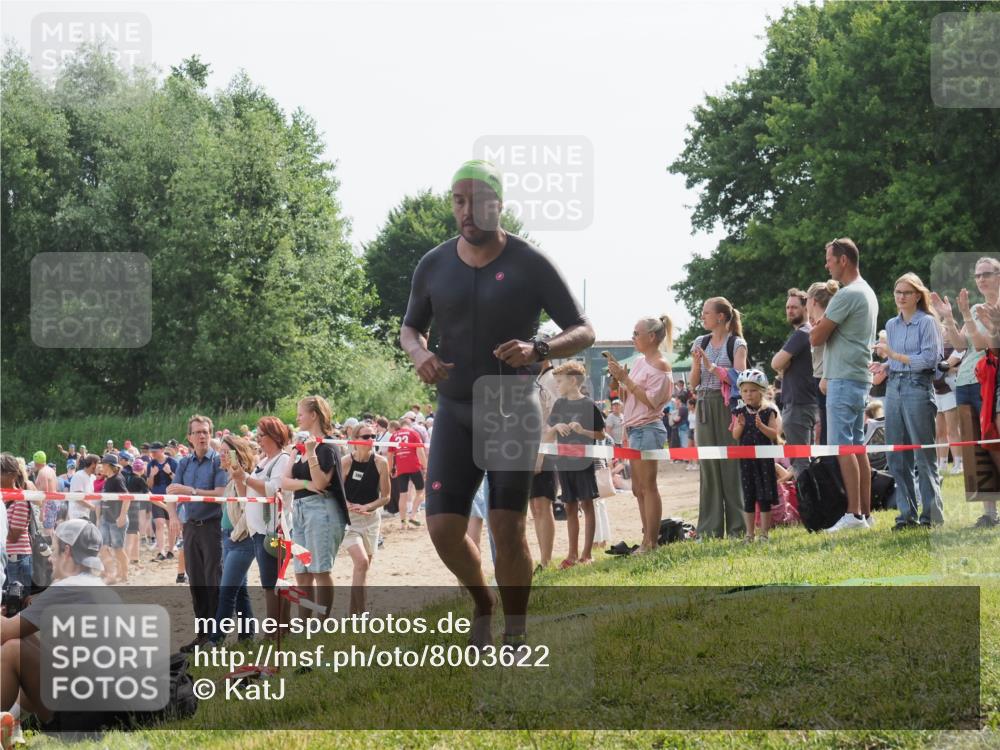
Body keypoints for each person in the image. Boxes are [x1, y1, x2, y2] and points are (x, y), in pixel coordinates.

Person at [400, 159, 593, 647]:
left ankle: (515, 632)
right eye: (458, 201)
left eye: (477, 201)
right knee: (443, 527)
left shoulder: (530, 261)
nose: (466, 212)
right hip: (454, 409)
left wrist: (541, 348)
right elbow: (410, 327)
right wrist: (420, 353)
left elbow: (583, 329)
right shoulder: (434, 263)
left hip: (512, 405)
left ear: (498, 204)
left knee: (508, 527)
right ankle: (482, 601)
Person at [809, 239, 878, 533]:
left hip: (844, 378)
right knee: (856, 447)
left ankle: (853, 514)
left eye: (829, 259)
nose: (826, 265)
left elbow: (816, 337)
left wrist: (818, 320)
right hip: (858, 377)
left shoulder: (847, 294)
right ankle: (864, 513)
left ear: (844, 260)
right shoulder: (868, 292)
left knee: (842, 446)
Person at [932, 257, 1000, 527]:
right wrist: (949, 319)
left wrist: (969, 317)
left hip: (989, 381)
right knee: (974, 451)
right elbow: (961, 345)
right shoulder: (975, 308)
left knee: (993, 444)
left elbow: (986, 346)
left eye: (987, 274)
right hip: (965, 383)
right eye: (977, 276)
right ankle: (989, 513)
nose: (981, 279)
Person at [608, 315, 674, 552]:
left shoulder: (661, 365)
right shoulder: (640, 361)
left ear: (652, 336)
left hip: (648, 427)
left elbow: (652, 402)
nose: (633, 337)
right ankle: (647, 538)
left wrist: (625, 380)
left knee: (648, 487)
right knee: (637, 488)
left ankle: (651, 543)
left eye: (636, 333)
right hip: (635, 428)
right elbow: (630, 395)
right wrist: (619, 381)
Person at [279, 396, 349, 620]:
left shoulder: (327, 447)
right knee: (302, 572)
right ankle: (304, 620)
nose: (297, 417)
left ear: (313, 415)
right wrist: (306, 483)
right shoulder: (300, 448)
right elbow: (284, 482)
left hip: (322, 510)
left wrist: (310, 454)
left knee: (320, 569)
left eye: (300, 413)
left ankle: (321, 622)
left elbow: (321, 483)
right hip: (299, 510)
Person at [167, 415, 229, 651]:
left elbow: (221, 493)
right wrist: (173, 515)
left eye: (205, 432)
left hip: (212, 527)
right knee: (197, 583)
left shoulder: (218, 461)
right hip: (191, 527)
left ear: (211, 434)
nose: (202, 436)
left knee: (214, 582)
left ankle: (216, 637)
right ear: (189, 437)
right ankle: (203, 635)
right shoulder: (184, 463)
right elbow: (173, 492)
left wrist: (189, 490)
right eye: (197, 432)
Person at [690, 297, 749, 538]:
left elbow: (740, 378)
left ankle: (738, 527)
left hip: (727, 406)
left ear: (721, 316)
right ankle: (709, 529)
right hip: (704, 404)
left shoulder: (737, 343)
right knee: (708, 466)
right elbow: (694, 383)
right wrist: (697, 365)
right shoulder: (699, 341)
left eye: (706, 312)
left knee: (731, 465)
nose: (702, 316)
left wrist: (712, 367)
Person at [545, 361, 606, 568]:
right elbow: (548, 430)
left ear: (573, 381)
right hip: (564, 462)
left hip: (584, 463)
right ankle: (571, 555)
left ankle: (586, 554)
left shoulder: (588, 405)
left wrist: (582, 431)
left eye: (559, 381)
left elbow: (601, 433)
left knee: (587, 504)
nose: (557, 385)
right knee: (570, 506)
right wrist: (556, 427)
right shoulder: (559, 404)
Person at [239, 417, 294, 636]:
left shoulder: (282, 459)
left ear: (273, 436)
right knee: (271, 582)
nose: (258, 439)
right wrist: (240, 478)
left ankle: (275, 634)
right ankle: (282, 629)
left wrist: (245, 478)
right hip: (260, 531)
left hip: (273, 530)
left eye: (261, 435)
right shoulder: (264, 461)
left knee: (270, 584)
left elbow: (274, 490)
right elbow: (250, 492)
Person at [210, 435, 259, 645]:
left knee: (227, 591)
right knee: (239, 591)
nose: (219, 455)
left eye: (224, 452)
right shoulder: (231, 479)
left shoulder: (240, 478)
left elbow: (247, 510)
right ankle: (248, 637)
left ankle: (216, 640)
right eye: (219, 451)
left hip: (242, 540)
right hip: (229, 539)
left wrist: (231, 458)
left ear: (235, 456)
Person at [340, 423, 391, 615]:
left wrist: (368, 507)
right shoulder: (345, 462)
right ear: (355, 440)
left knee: (363, 567)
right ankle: (358, 614)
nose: (371, 440)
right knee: (361, 562)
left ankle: (356, 612)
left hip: (371, 519)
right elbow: (336, 493)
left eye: (373, 436)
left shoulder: (381, 462)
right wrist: (347, 504)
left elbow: (386, 496)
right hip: (350, 520)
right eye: (366, 436)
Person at [730, 370, 783, 543]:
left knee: (764, 497)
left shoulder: (769, 412)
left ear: (760, 391)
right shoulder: (739, 412)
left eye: (752, 390)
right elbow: (735, 436)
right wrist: (740, 426)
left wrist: (762, 427)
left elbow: (774, 434)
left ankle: (764, 533)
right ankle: (749, 533)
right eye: (744, 391)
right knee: (749, 497)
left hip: (764, 462)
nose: (748, 394)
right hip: (747, 463)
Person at [771, 288, 818, 478]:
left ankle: (806, 506)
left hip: (798, 404)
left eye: (794, 307)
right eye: (787, 307)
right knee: (804, 460)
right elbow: (780, 366)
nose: (790, 311)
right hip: (807, 402)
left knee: (800, 463)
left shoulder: (802, 334)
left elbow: (775, 363)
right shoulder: (809, 332)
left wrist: (783, 365)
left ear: (806, 308)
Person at [806, 280, 840, 445]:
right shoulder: (826, 320)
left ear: (813, 301)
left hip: (825, 378)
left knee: (829, 435)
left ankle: (833, 469)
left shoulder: (826, 322)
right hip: (823, 376)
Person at [95, 454, 130, 584]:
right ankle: (111, 572)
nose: (101, 466)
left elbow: (127, 498)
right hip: (106, 518)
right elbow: (102, 500)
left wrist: (121, 516)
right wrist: (99, 518)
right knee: (103, 547)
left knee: (118, 549)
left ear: (109, 466)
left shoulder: (117, 479)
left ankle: (124, 573)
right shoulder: (107, 480)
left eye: (103, 464)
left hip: (116, 519)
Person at [389, 415, 427, 529]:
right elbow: (420, 451)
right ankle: (413, 515)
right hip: (414, 466)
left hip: (401, 467)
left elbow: (390, 455)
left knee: (403, 495)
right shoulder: (413, 433)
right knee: (420, 492)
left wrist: (391, 469)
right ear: (409, 425)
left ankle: (402, 522)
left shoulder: (394, 435)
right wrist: (425, 467)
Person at [1, 454, 33, 593]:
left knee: (17, 603)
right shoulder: (4, 498)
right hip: (9, 558)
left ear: (12, 475)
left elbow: (14, 536)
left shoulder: (20, 499)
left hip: (17, 560)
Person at [146, 442, 178, 562]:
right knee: (159, 523)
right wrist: (152, 475)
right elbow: (149, 485)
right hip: (156, 497)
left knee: (171, 525)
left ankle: (170, 550)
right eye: (151, 451)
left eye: (155, 451)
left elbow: (179, 481)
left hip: (171, 497)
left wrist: (169, 472)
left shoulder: (173, 462)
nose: (153, 453)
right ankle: (161, 551)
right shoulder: (151, 464)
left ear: (162, 450)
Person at [67, 454, 99, 521]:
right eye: (98, 464)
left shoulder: (93, 477)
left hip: (87, 515)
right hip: (77, 515)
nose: (99, 467)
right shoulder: (78, 476)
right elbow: (78, 498)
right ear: (93, 464)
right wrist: (93, 507)